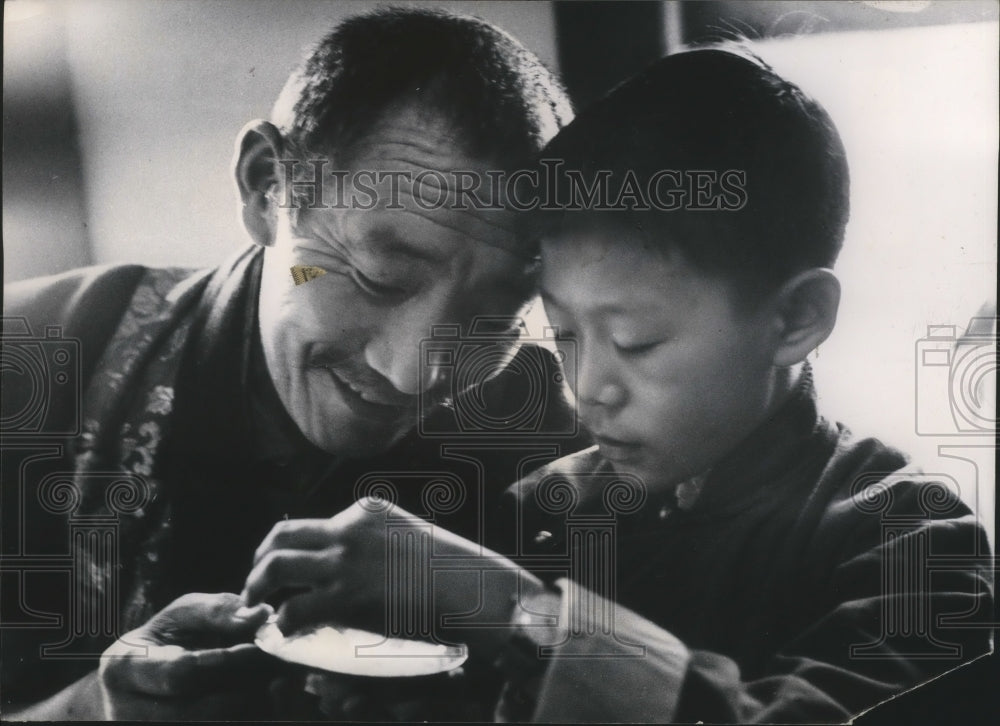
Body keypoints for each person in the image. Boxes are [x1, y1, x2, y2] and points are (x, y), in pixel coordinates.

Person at [242, 47, 994, 722]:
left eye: (637, 340)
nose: (588, 388)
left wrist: (515, 610)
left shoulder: (912, 541)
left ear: (796, 317)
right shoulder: (542, 511)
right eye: (563, 335)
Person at [0, 7, 583, 720]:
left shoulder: (554, 442)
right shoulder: (29, 360)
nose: (412, 375)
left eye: (495, 318)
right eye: (378, 279)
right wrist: (87, 710)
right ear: (265, 186)